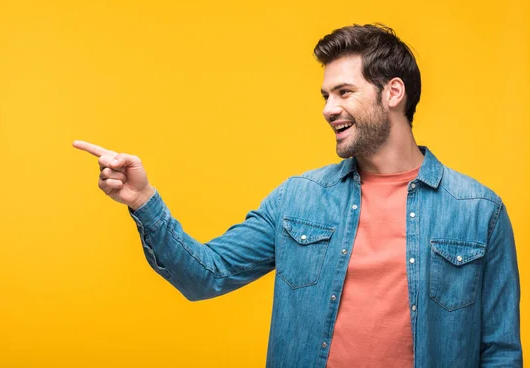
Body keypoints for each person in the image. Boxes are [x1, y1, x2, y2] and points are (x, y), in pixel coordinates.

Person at [73, 24, 522, 367]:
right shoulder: (297, 200)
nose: (328, 108)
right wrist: (143, 200)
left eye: (344, 92)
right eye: (326, 94)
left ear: (393, 93)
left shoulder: (479, 211)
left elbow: (499, 350)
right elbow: (205, 276)